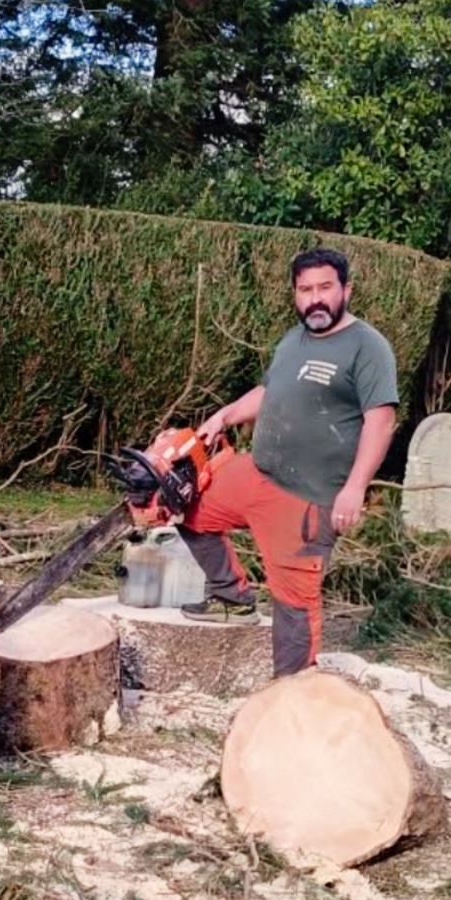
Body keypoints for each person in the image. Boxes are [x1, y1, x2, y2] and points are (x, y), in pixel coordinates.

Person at [177, 246, 399, 677]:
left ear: (346, 289)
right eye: (305, 289)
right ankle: (232, 598)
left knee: (294, 606)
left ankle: (294, 696)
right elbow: (268, 393)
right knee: (186, 509)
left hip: (306, 498)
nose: (315, 299)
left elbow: (381, 421)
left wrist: (354, 487)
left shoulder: (368, 347)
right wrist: (224, 415)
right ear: (295, 293)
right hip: (256, 470)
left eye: (325, 288)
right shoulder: (292, 340)